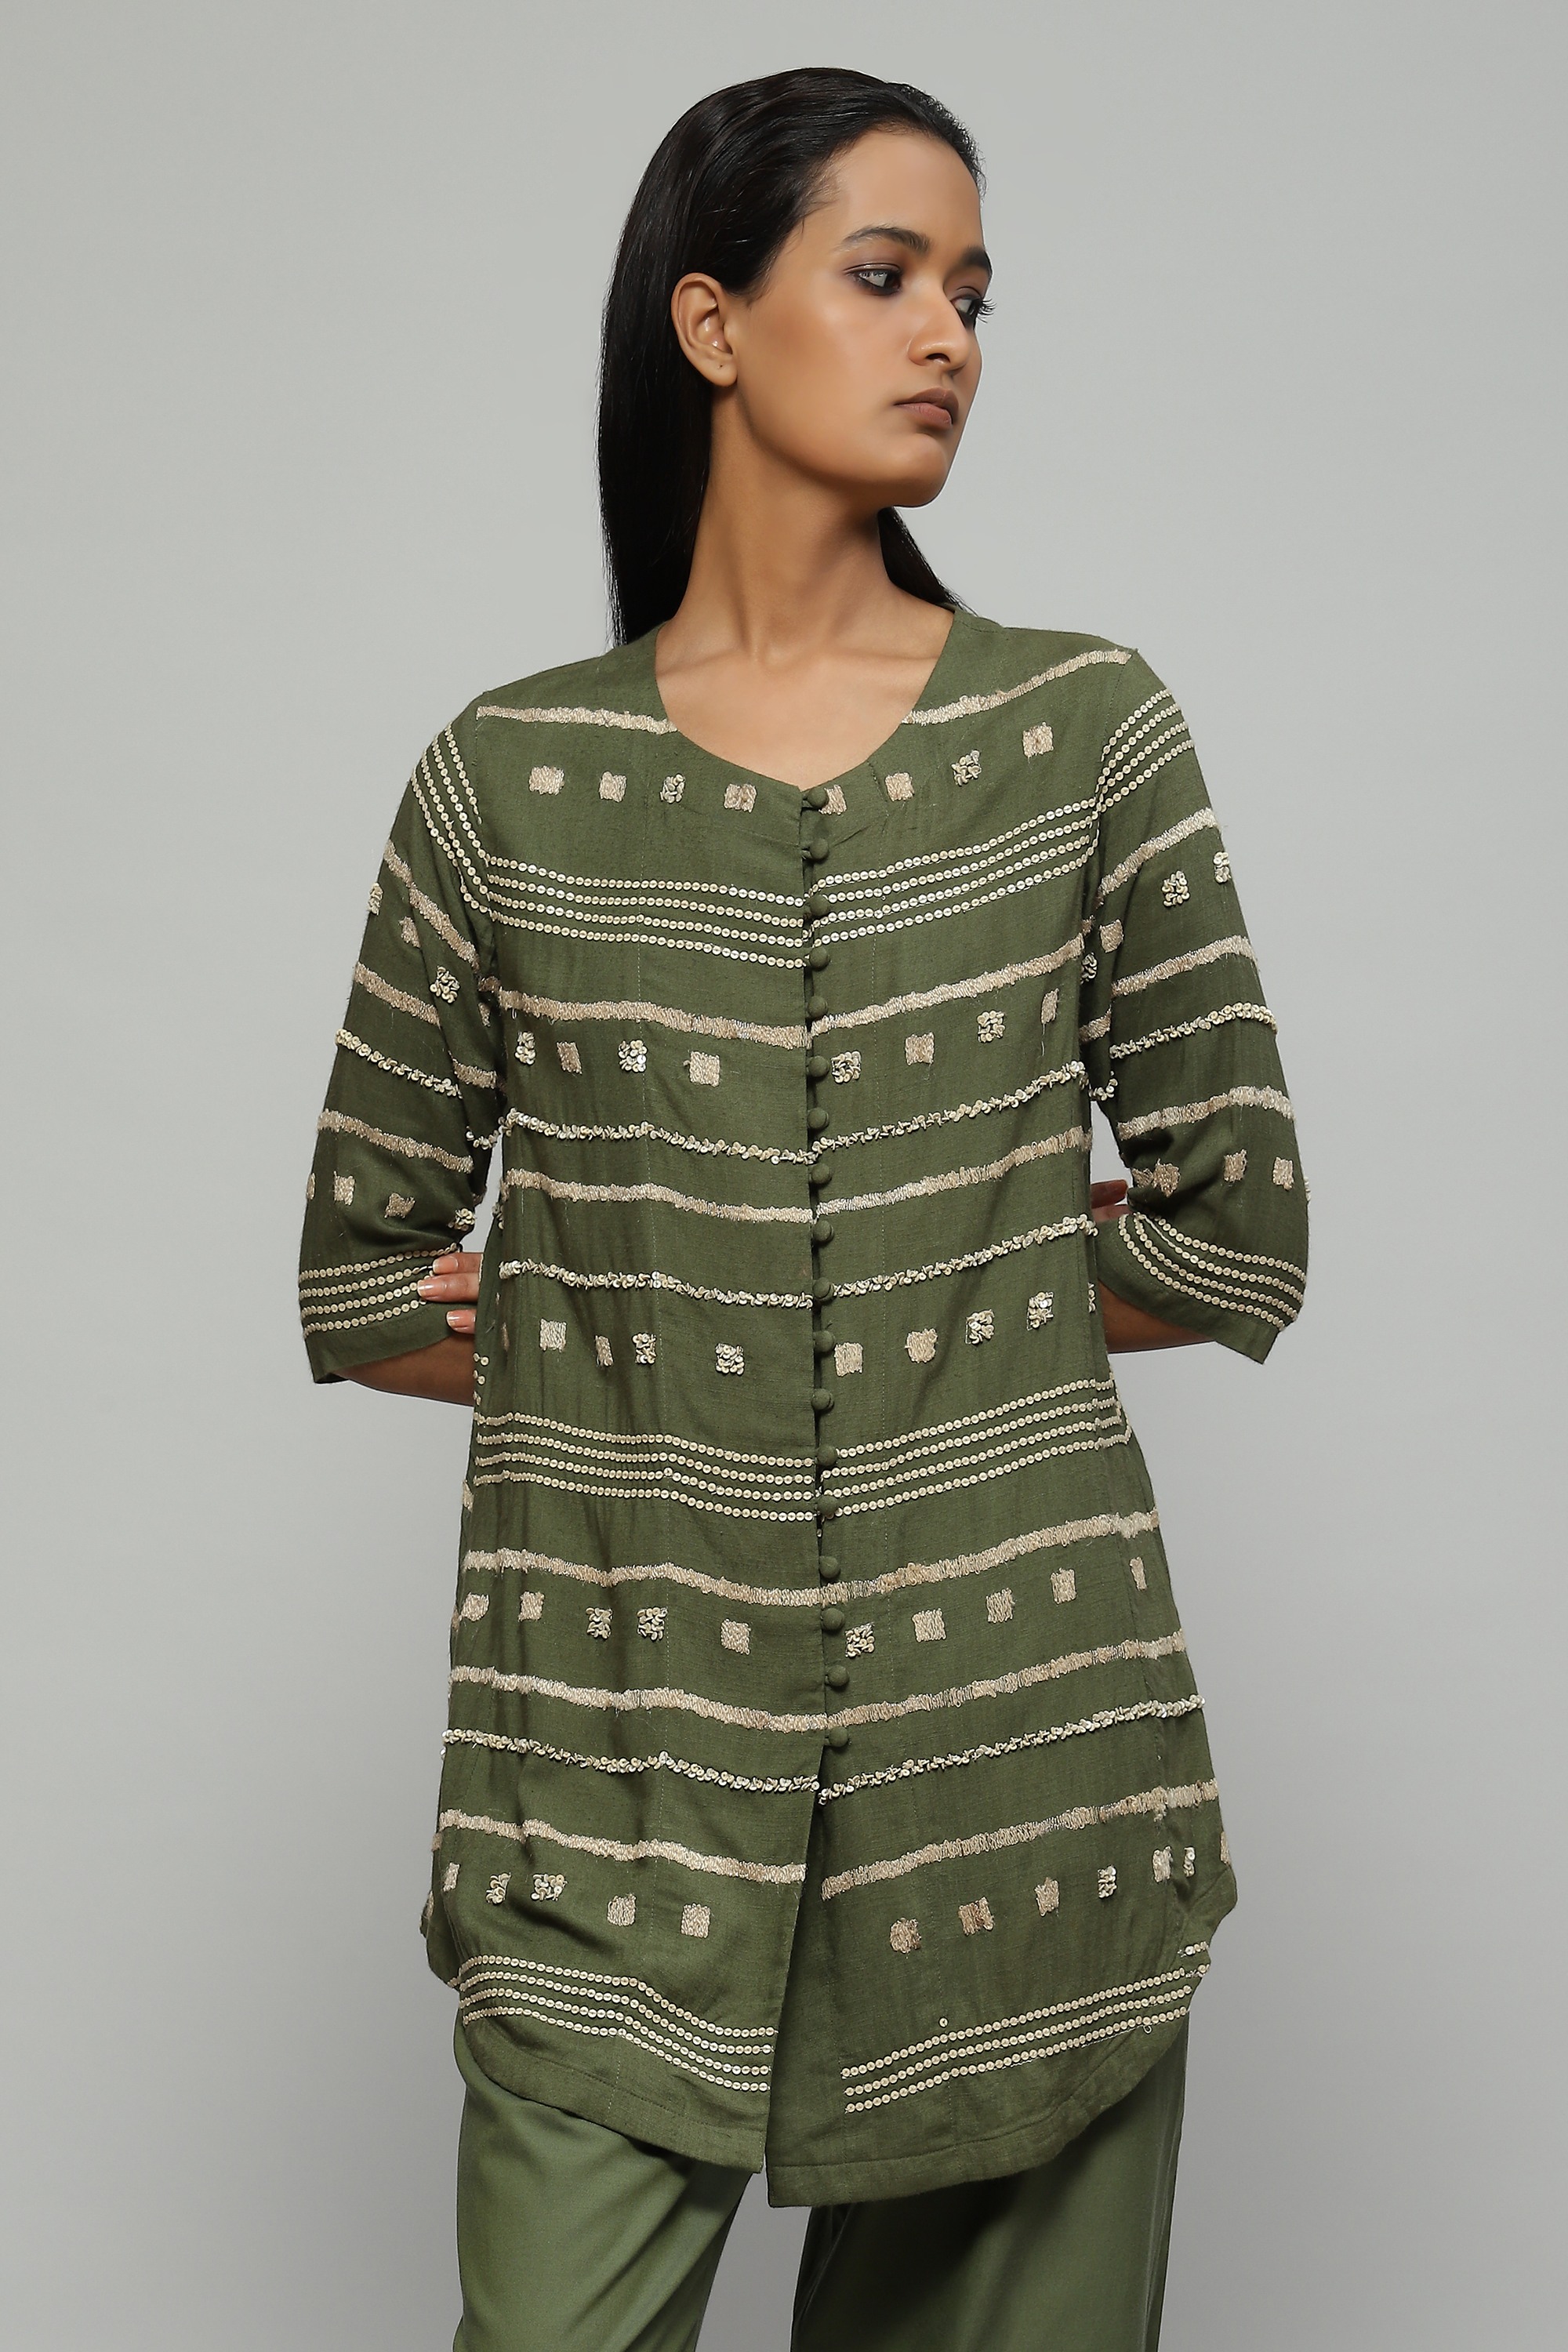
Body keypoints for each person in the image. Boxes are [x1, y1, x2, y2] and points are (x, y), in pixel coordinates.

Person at [297, 65, 1308, 2352]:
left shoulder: (1089, 736)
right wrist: (634, 1324)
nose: (950, 334)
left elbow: (1239, 1228)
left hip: (1021, 1802)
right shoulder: (505, 781)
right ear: (712, 321)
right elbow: (358, 1277)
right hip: (612, 1784)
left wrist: (956, 1288)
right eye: (885, 274)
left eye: (975, 293)